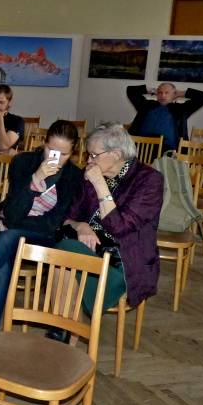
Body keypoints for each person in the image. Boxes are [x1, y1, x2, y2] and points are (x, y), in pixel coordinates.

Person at [49, 123, 163, 342]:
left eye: (94, 155)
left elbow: (119, 227)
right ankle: (68, 336)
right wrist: (80, 225)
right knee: (66, 255)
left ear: (116, 154)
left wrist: (100, 184)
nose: (88, 161)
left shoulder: (148, 180)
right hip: (85, 250)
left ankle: (63, 333)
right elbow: (67, 216)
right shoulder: (90, 173)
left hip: (124, 262)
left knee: (62, 255)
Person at [0, 120, 83, 342]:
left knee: (7, 236)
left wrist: (16, 224)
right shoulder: (23, 163)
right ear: (43, 143)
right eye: (51, 149)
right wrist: (35, 179)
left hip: (44, 238)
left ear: (73, 153)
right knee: (3, 262)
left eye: (63, 154)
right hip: (10, 230)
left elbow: (52, 223)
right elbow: (12, 212)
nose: (55, 157)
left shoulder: (74, 176)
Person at [127, 82, 203, 152]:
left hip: (167, 149)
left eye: (167, 93)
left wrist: (180, 93)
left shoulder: (181, 109)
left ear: (174, 94)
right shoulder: (146, 105)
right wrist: (151, 90)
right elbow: (130, 91)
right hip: (141, 146)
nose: (163, 96)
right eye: (160, 92)